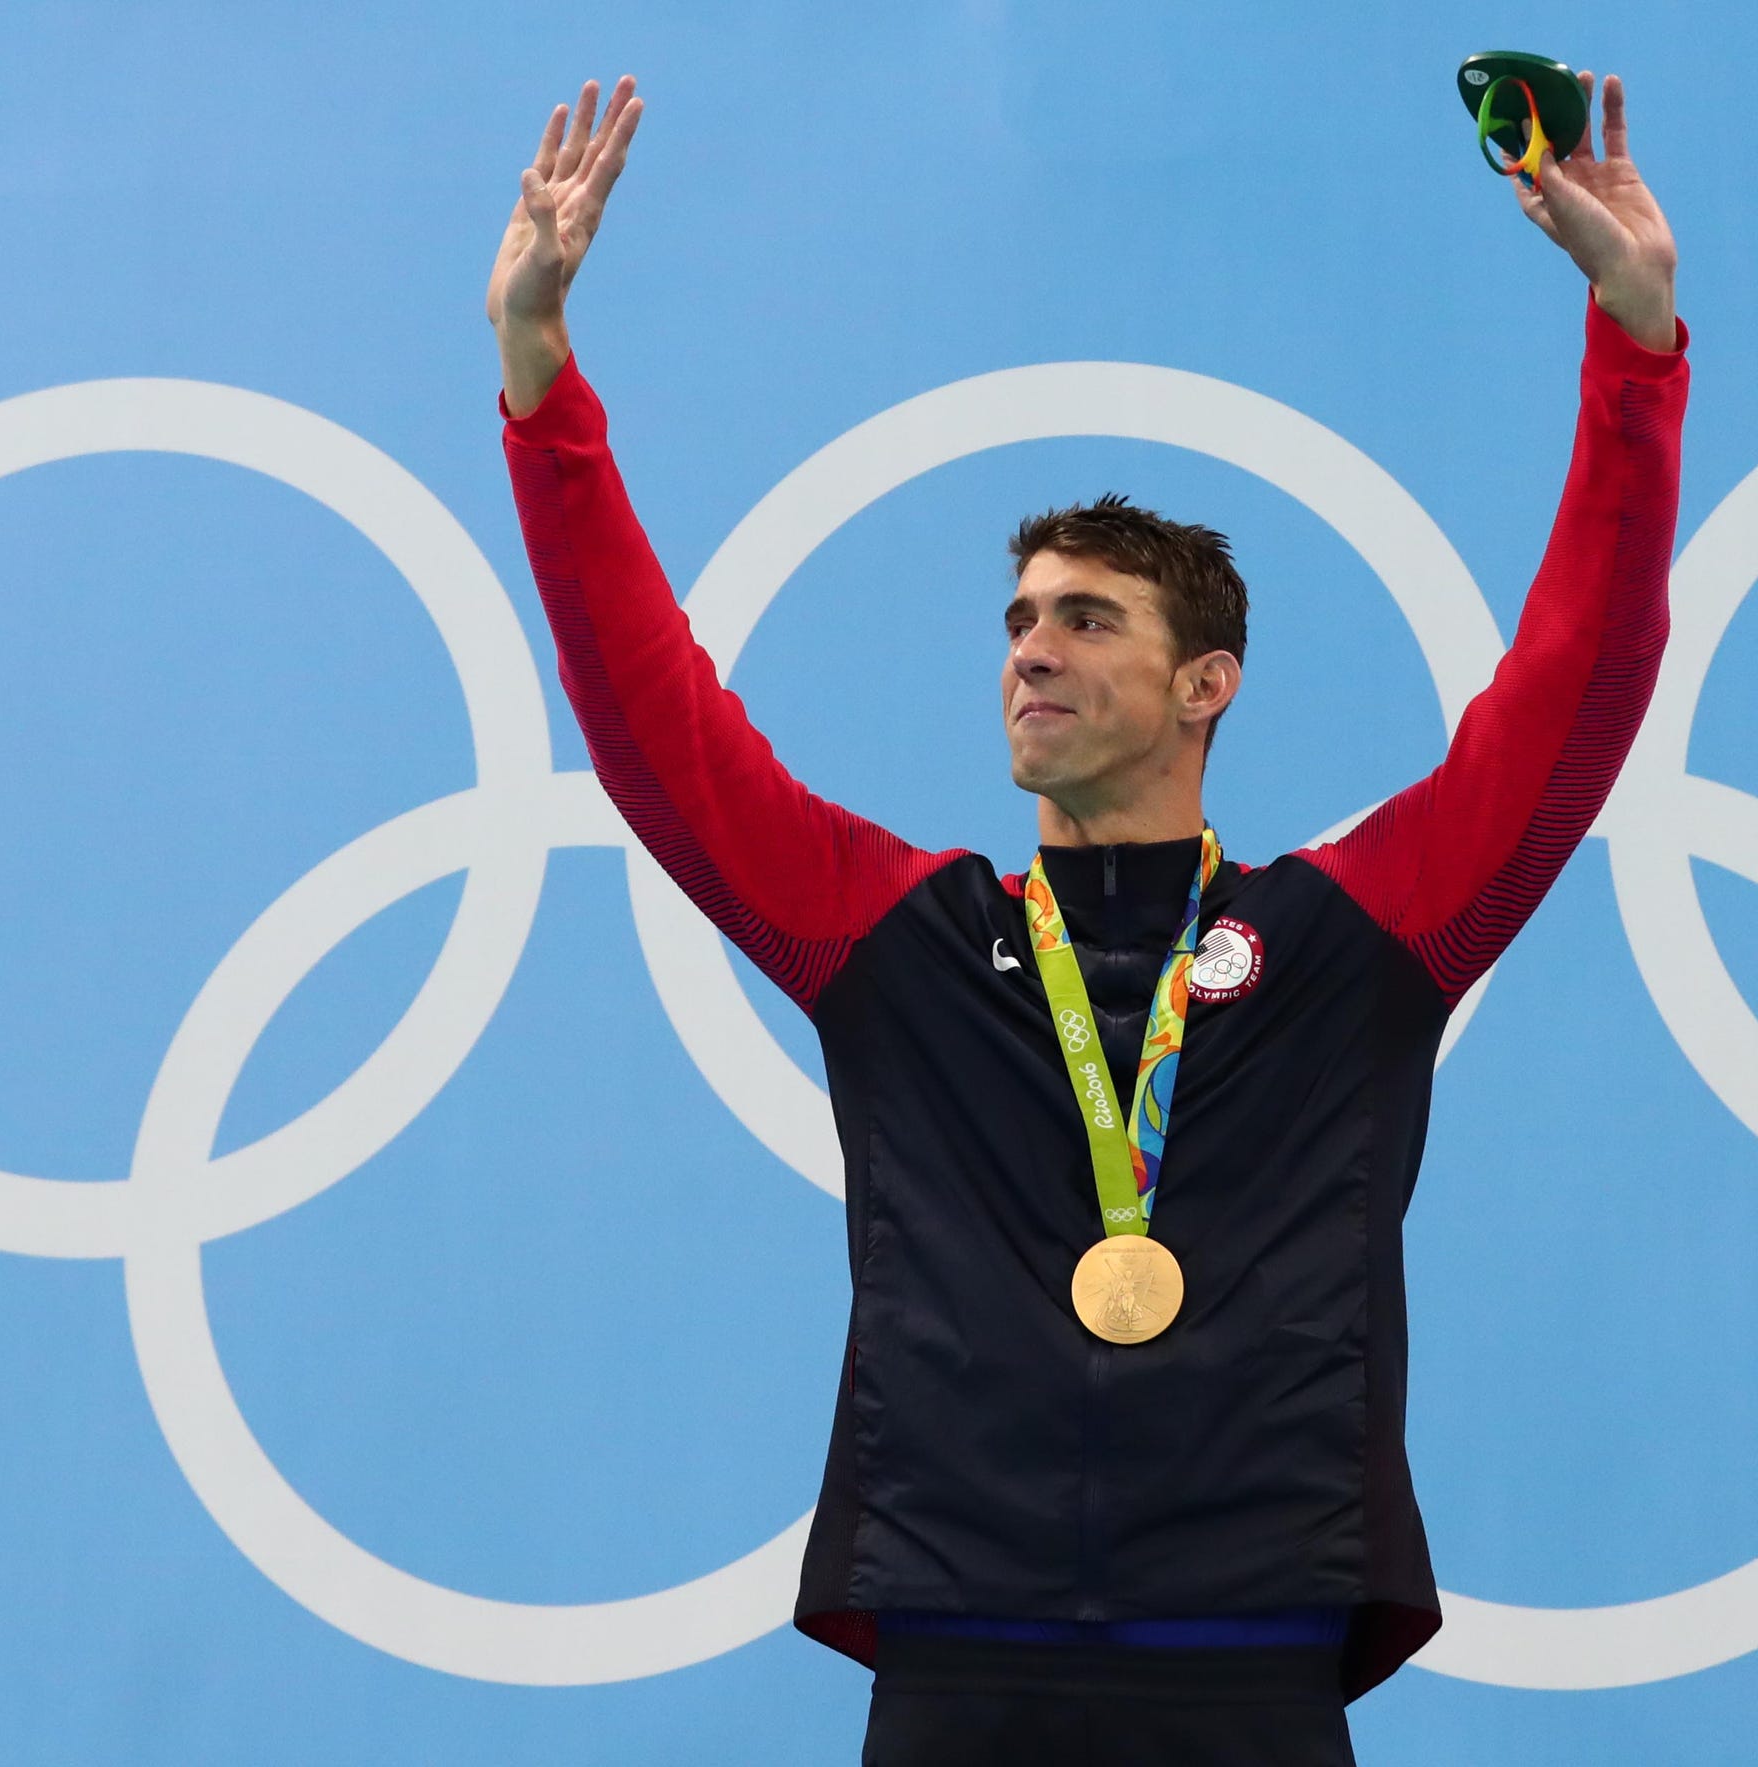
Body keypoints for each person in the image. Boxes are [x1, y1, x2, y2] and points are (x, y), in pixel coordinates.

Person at [488, 68, 1687, 1767]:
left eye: (1085, 619)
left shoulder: (1351, 942)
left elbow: (1579, 686)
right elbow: (647, 719)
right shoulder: (899, 942)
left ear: (1208, 683)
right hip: (955, 1669)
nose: (1029, 650)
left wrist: (1634, 354)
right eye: (1018, 618)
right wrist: (541, 385)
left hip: (1250, 1668)